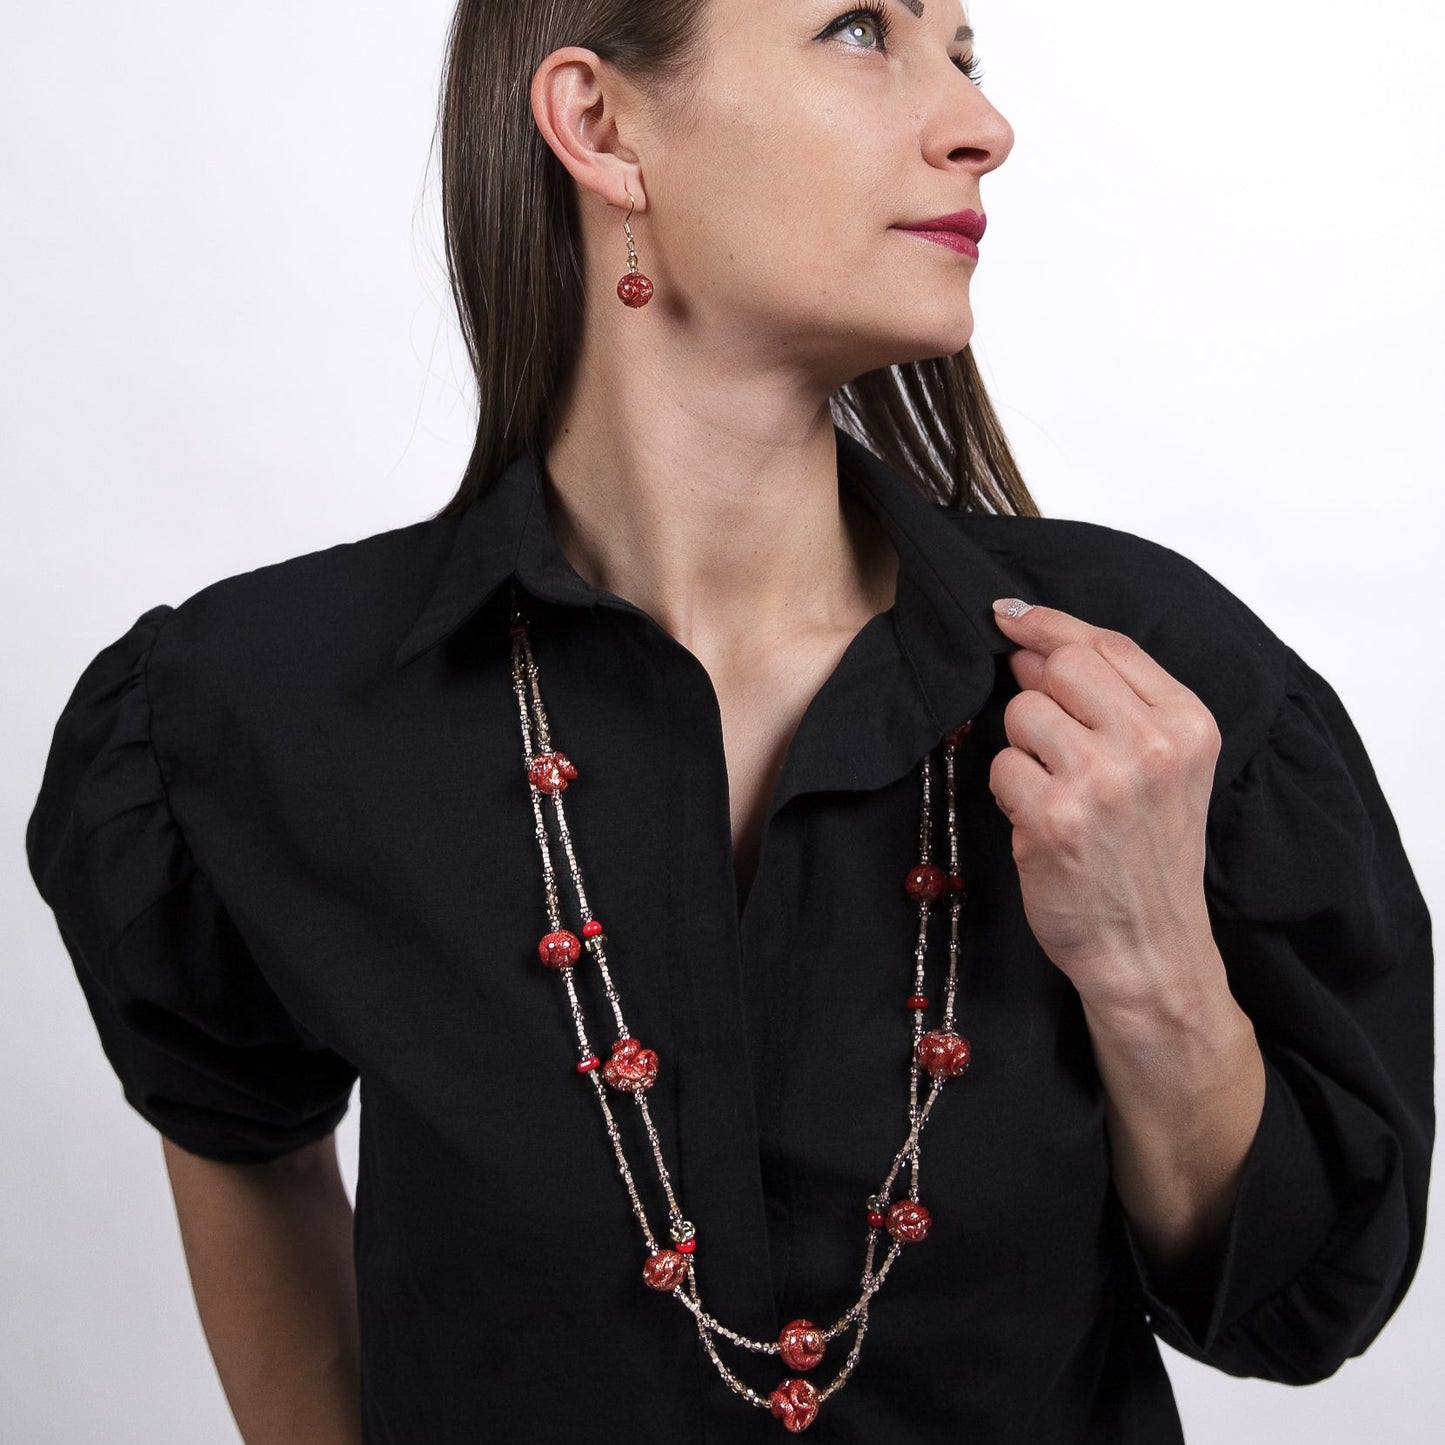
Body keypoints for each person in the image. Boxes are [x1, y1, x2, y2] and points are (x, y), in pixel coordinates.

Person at [23, 2, 1433, 1442]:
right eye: (856, 31)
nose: (978, 125)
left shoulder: (1144, 689)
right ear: (601, 127)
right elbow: (246, 1154)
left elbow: (1298, 1305)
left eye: (963, 53)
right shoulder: (252, 709)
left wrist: (1151, 968)